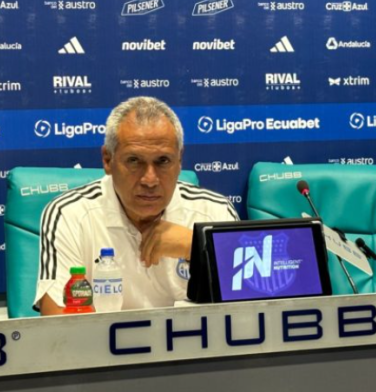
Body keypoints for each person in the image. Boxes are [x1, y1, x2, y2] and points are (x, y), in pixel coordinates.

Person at [35, 96, 239, 315]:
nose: (150, 180)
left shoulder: (214, 212)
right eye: (134, 161)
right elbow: (58, 324)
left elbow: (249, 311)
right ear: (107, 160)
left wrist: (197, 247)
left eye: (163, 161)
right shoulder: (70, 214)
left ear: (179, 161)